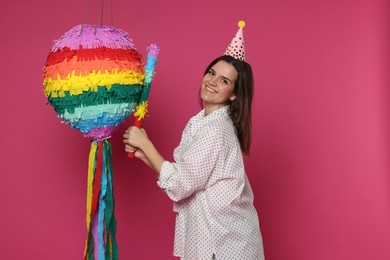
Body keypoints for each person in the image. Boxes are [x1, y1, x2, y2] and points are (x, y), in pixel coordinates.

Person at [123, 22, 265, 260]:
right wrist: (144, 156)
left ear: (234, 94)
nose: (212, 81)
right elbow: (188, 178)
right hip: (214, 237)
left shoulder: (215, 130)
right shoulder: (201, 122)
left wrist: (147, 144)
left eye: (224, 81)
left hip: (225, 243)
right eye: (211, 73)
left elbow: (180, 184)